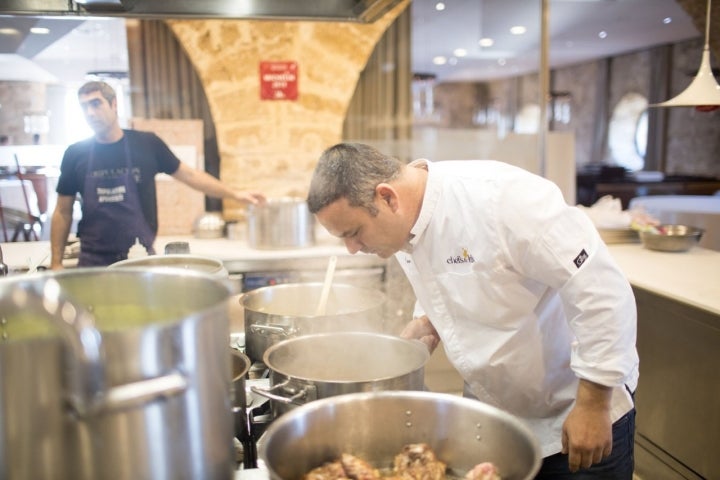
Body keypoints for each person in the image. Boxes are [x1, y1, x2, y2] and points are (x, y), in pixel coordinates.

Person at [307, 143, 639, 479]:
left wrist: (593, 404)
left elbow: (602, 290)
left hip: (574, 411)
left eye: (353, 233)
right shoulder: (406, 221)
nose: (351, 249)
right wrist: (427, 320)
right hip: (496, 418)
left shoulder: (502, 201)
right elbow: (452, 275)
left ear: (387, 197)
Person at [50, 81, 265, 268]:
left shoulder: (146, 144)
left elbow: (190, 176)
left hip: (140, 259)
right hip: (92, 263)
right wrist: (56, 262)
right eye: (84, 107)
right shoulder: (75, 154)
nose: (90, 112)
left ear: (114, 104)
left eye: (96, 104)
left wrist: (236, 194)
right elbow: (62, 211)